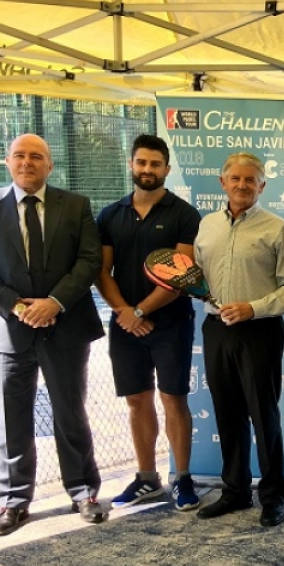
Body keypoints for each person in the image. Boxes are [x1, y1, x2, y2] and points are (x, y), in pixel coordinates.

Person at [0, 133, 107, 535]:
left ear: (50, 164)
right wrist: (18, 307)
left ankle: (83, 491)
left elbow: (89, 260)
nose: (27, 162)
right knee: (11, 419)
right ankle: (13, 500)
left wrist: (54, 303)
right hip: (11, 330)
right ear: (7, 161)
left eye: (36, 156)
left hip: (66, 328)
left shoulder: (75, 205)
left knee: (70, 412)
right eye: (19, 155)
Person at [193, 151, 284, 528]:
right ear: (223, 183)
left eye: (250, 180)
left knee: (264, 415)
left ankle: (272, 496)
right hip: (215, 329)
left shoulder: (278, 229)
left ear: (262, 186)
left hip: (259, 331)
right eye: (235, 179)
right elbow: (197, 276)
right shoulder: (207, 225)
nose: (242, 185)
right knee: (227, 414)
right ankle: (235, 491)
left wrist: (252, 308)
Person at [95, 134, 201, 512]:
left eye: (155, 164)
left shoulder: (184, 214)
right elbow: (101, 272)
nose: (148, 169)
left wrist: (139, 311)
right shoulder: (110, 215)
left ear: (167, 169)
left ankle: (182, 479)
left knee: (173, 399)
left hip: (171, 323)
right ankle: (147, 479)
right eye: (141, 162)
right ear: (131, 164)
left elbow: (181, 276)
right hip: (125, 326)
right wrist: (125, 313)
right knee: (137, 401)